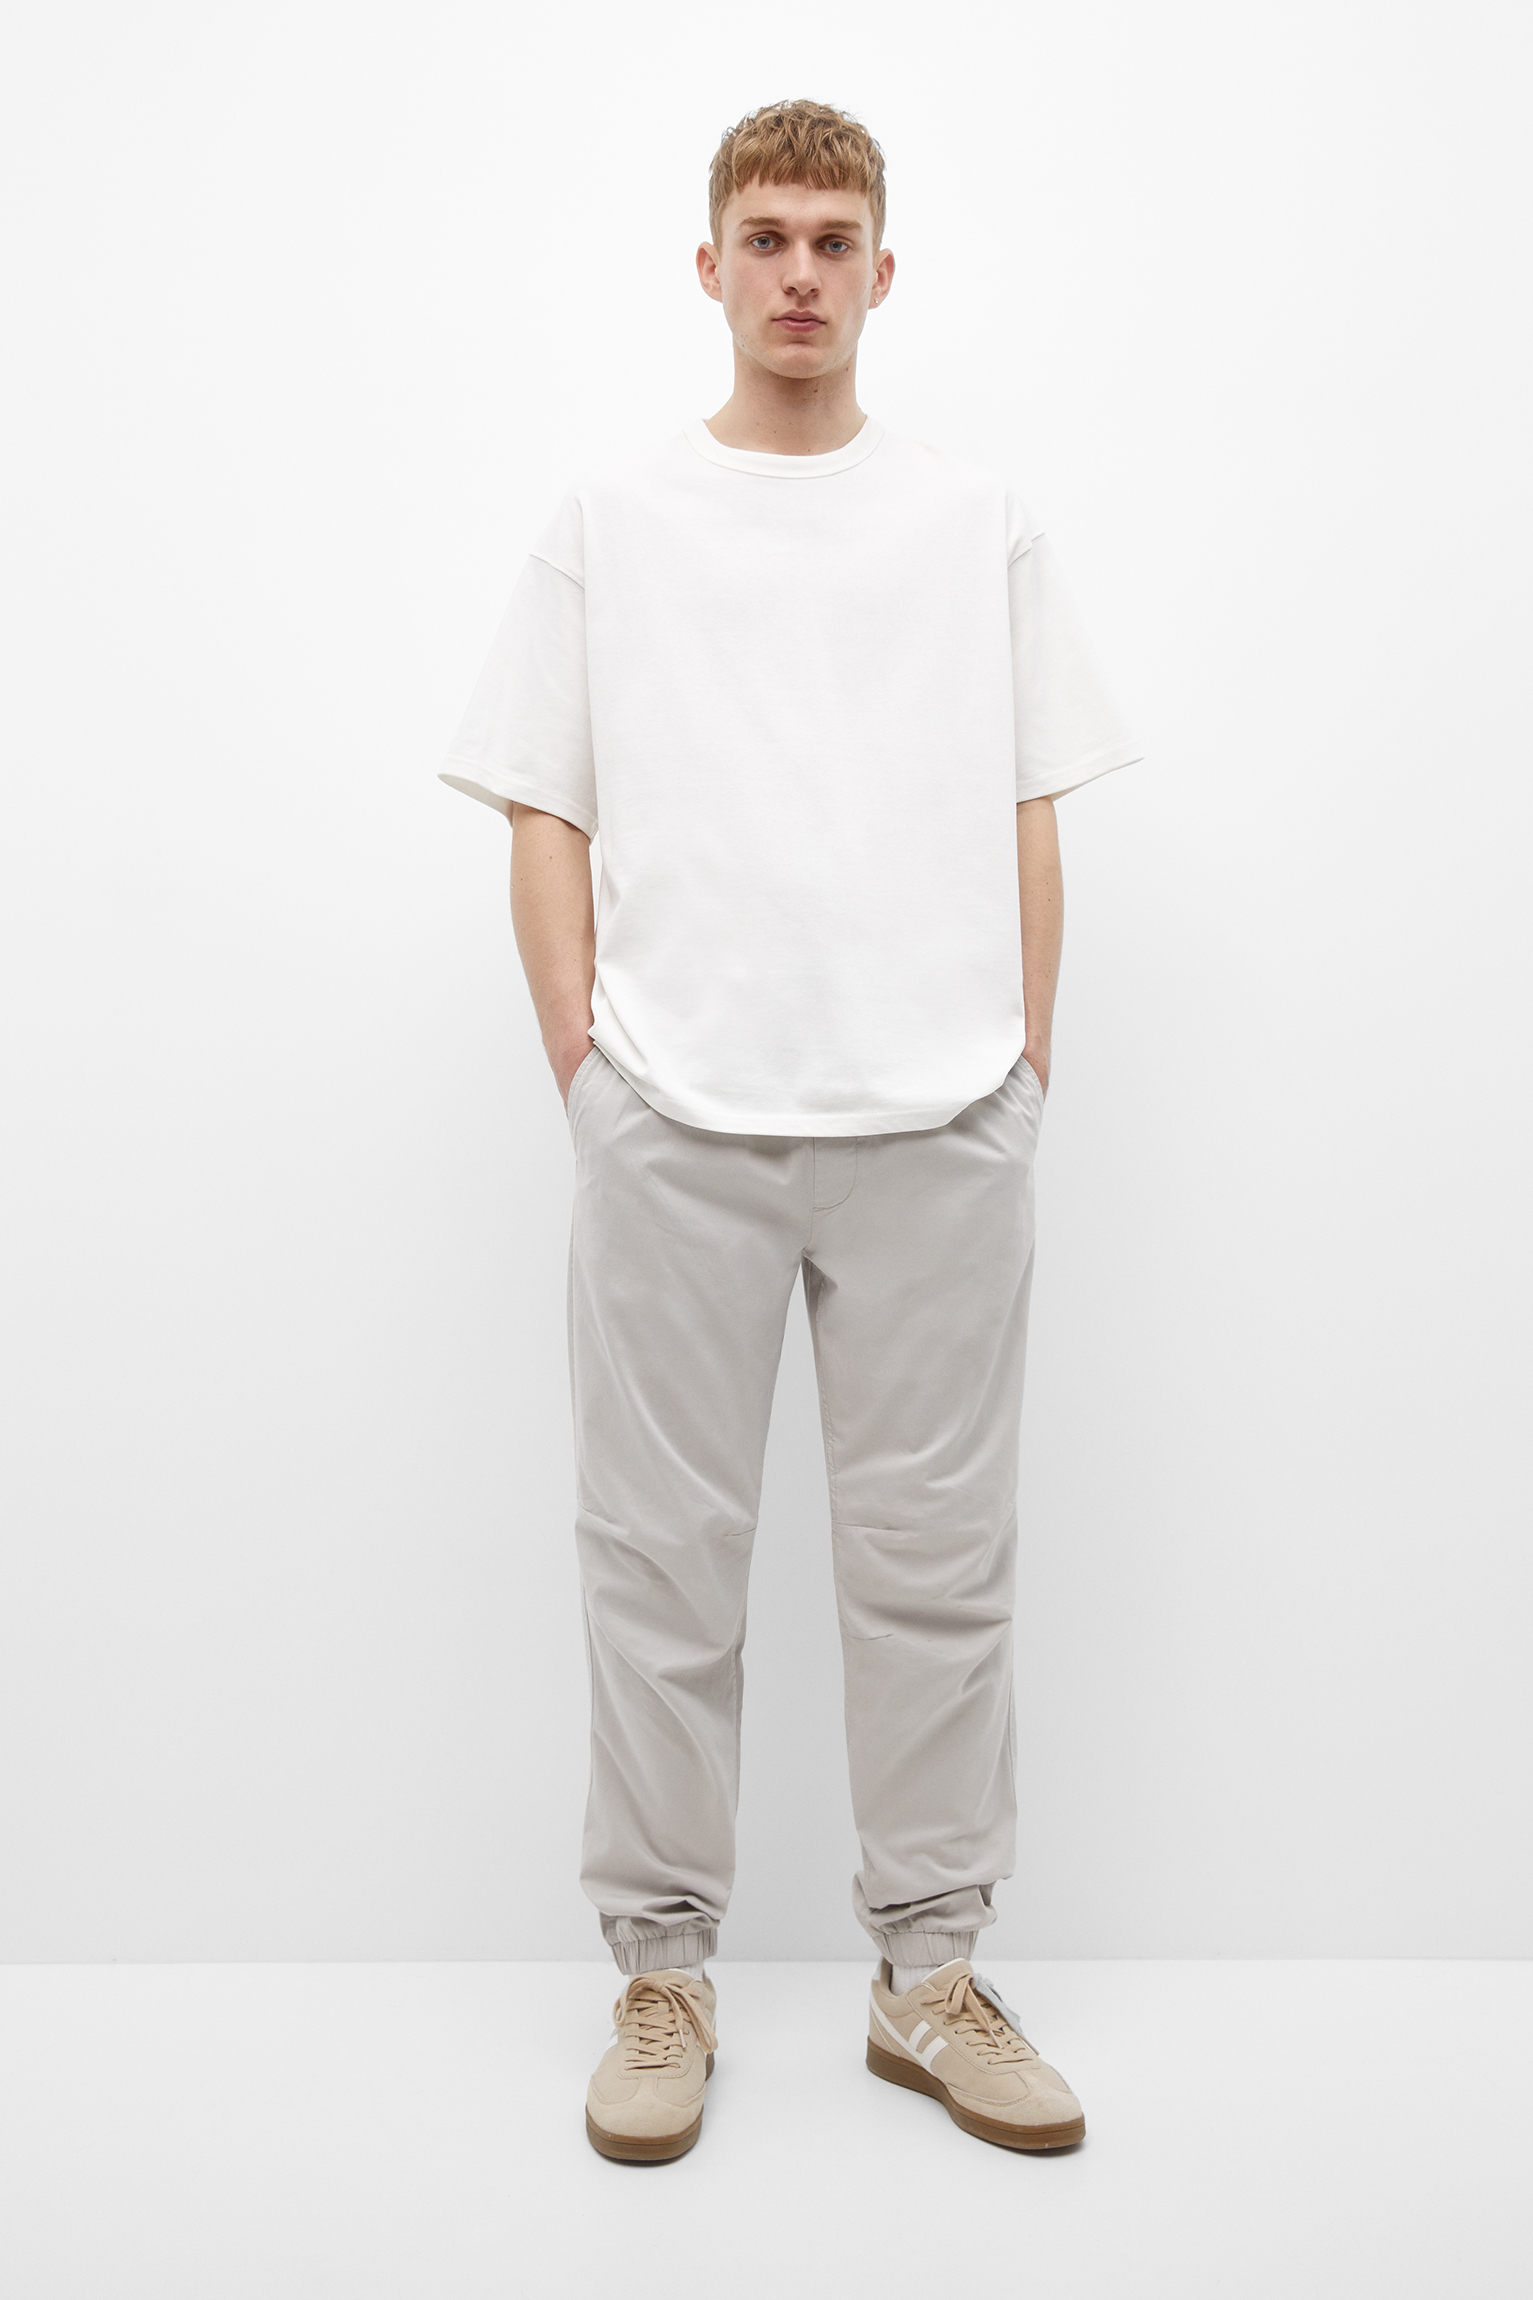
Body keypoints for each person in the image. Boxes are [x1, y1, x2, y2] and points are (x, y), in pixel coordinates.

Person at [438, 98, 1140, 2162]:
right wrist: (589, 1077)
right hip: (676, 1113)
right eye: (767, 236)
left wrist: (1021, 1068)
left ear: (882, 271)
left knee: (938, 1569)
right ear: (711, 266)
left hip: (939, 1115)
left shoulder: (973, 521)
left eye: (835, 239)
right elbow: (541, 803)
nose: (801, 274)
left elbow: (1030, 800)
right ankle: (661, 1974)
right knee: (660, 1568)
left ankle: (928, 1977)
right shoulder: (613, 521)